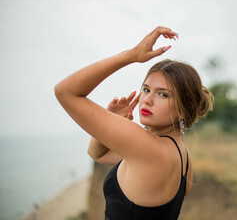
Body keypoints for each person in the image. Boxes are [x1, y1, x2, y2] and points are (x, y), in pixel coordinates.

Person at [54, 26, 214, 220]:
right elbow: (97, 153)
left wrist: (131, 55)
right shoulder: (181, 156)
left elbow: (65, 91)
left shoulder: (148, 148)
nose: (147, 100)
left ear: (184, 108)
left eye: (163, 94)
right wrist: (110, 115)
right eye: (146, 90)